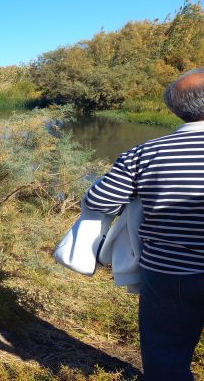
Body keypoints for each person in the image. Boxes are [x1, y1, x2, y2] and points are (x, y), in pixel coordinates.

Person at [83, 68, 204, 381]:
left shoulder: (144, 153)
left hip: (170, 272)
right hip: (171, 272)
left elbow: (99, 200)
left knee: (166, 355)